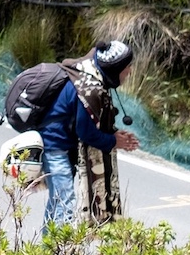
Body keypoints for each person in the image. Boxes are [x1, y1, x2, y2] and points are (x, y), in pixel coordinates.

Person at [38, 40, 142, 234]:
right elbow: (86, 132)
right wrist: (114, 141)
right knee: (64, 202)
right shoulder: (89, 88)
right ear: (116, 69)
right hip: (56, 147)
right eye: (127, 67)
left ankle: (48, 252)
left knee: (57, 202)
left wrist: (113, 135)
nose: (130, 71)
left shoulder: (88, 74)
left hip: (59, 145)